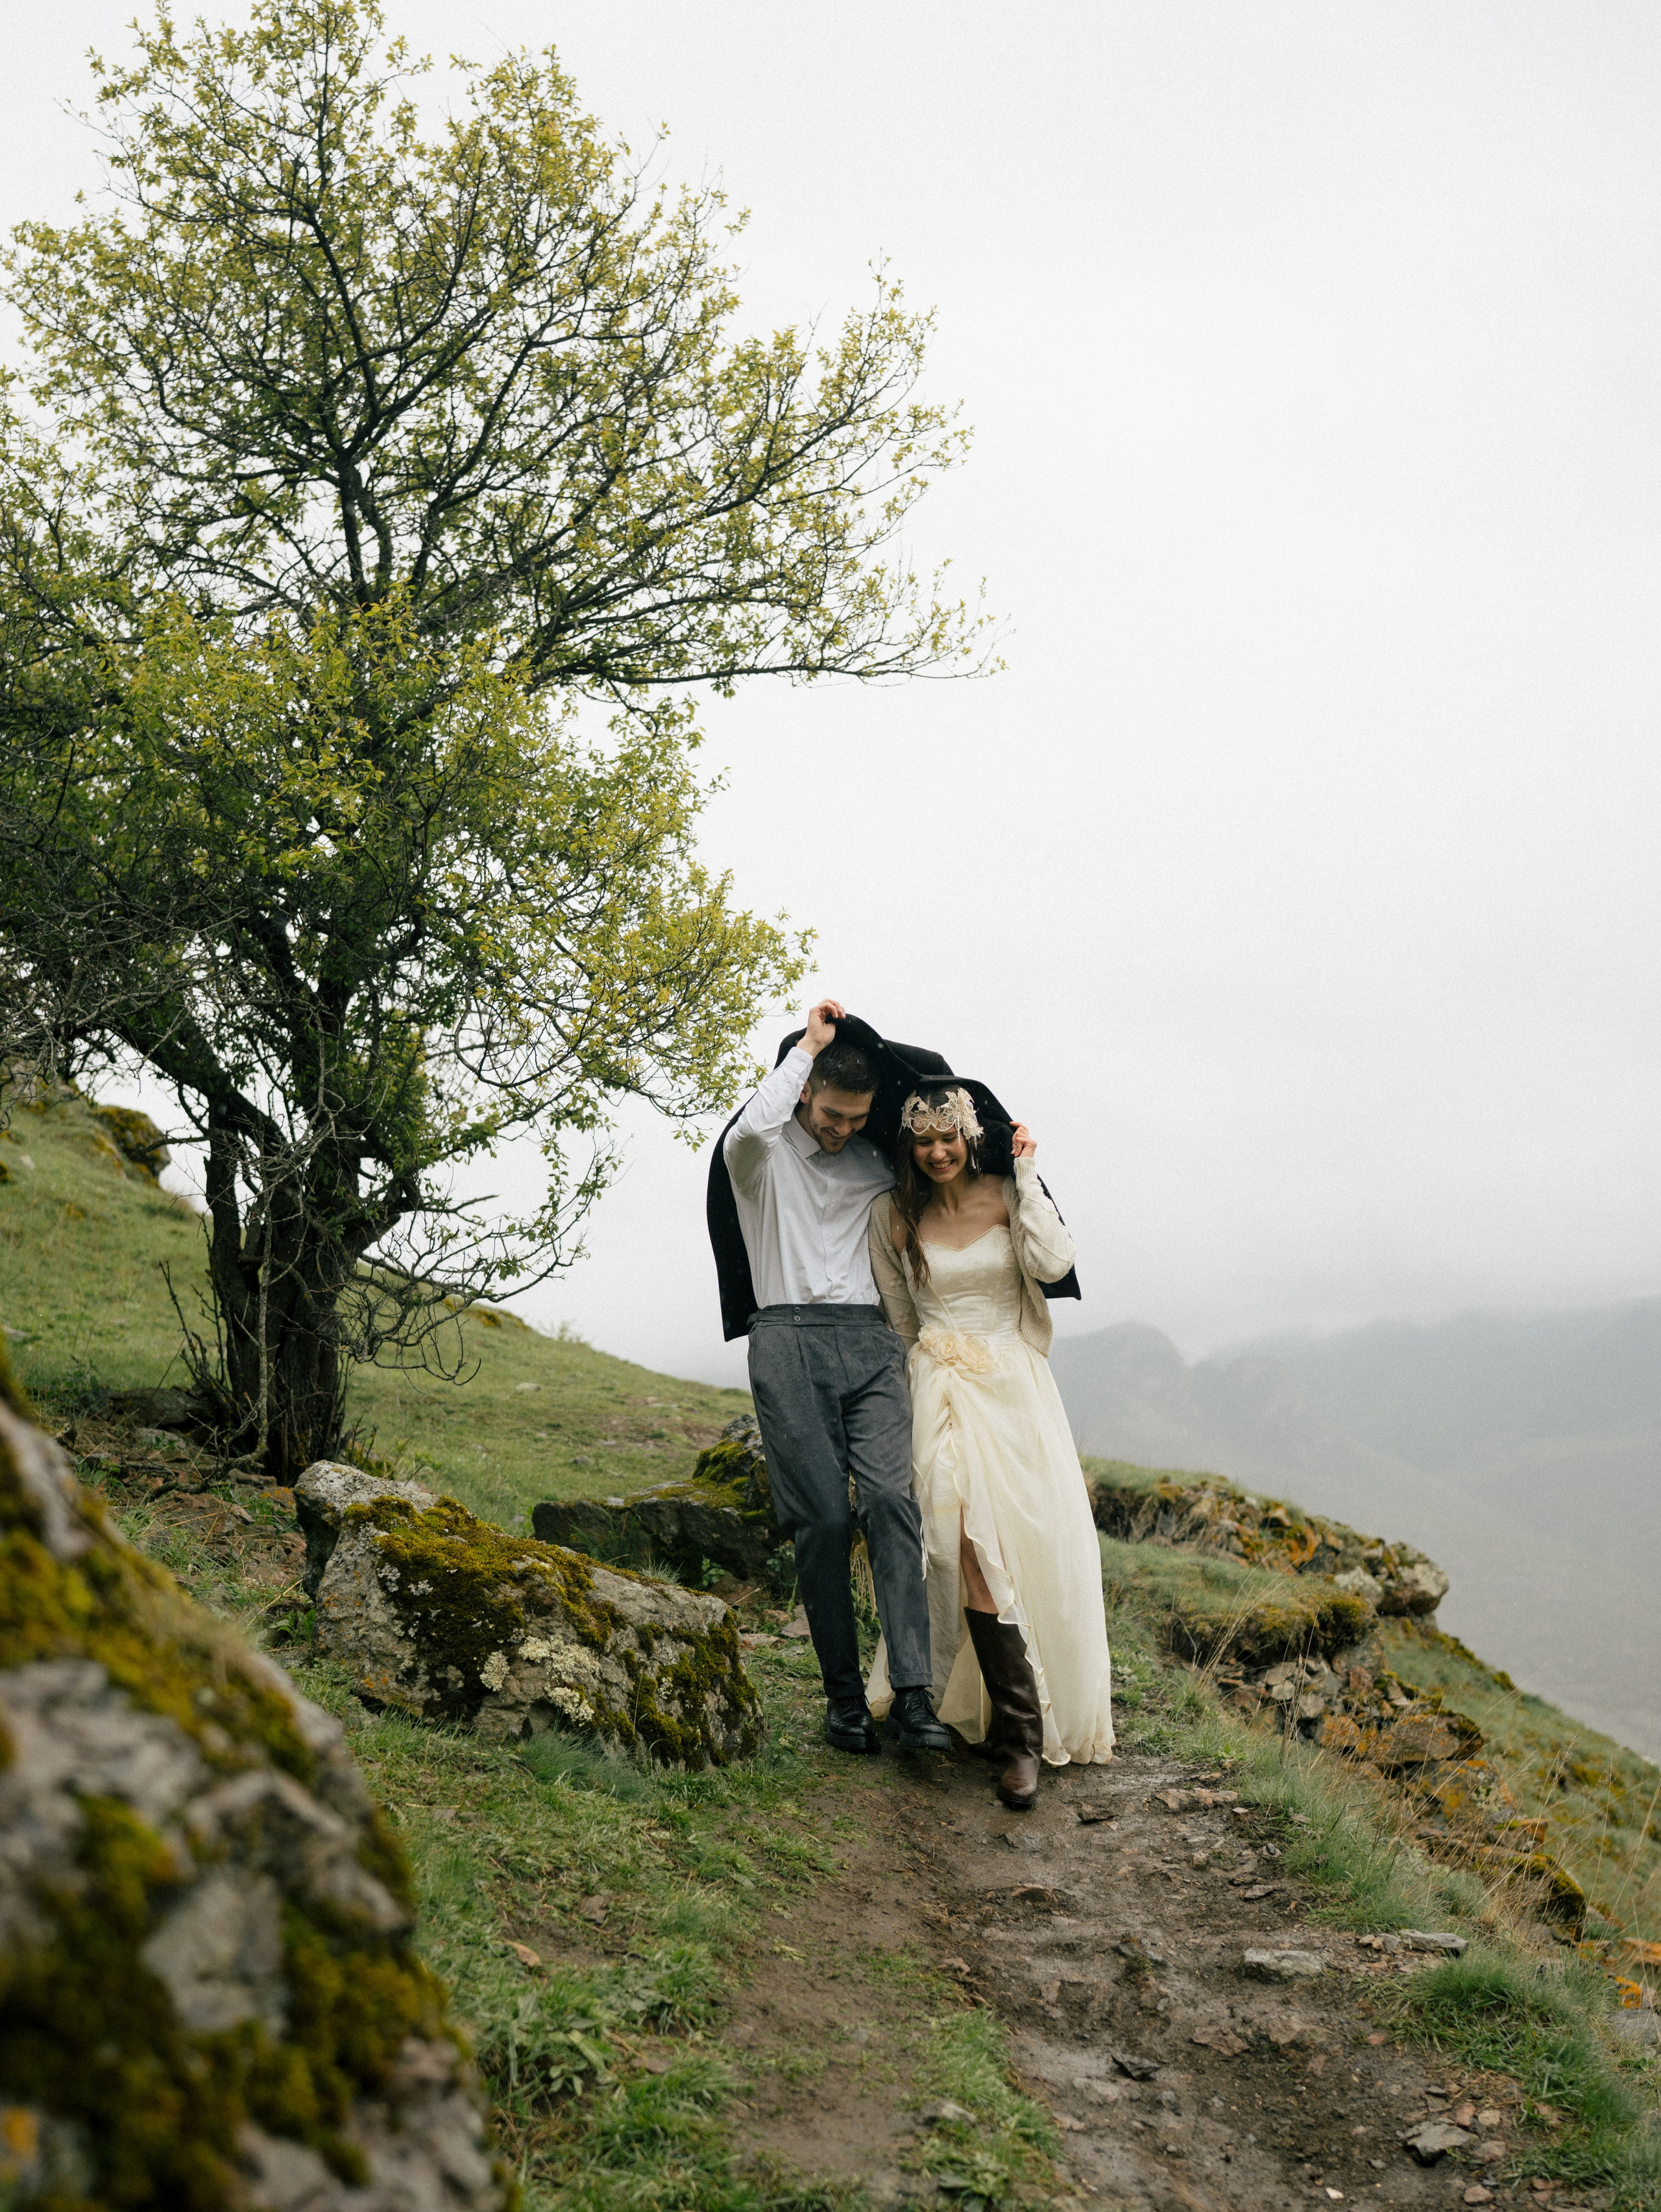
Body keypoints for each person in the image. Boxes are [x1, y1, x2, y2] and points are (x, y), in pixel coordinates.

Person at [866, 1084, 1114, 1807]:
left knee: (1026, 1543)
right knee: (954, 1546)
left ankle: (1020, 1723)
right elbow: (901, 1315)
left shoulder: (1009, 1193)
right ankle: (1017, 1735)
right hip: (939, 1388)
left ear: (972, 1136)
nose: (938, 1151)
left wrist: (1030, 1172)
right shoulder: (892, 1215)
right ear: (907, 1146)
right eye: (923, 1139)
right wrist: (928, 1377)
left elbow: (1051, 1262)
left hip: (1015, 1389)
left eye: (950, 1136)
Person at [723, 999, 951, 1756]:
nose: (841, 1128)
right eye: (829, 1112)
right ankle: (844, 1699)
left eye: (855, 1117)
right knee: (820, 1520)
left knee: (891, 1500)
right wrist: (808, 1046)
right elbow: (748, 1126)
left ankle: (915, 1696)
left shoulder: (874, 1162)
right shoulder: (759, 1157)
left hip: (871, 1341)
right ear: (805, 1093)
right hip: (785, 1340)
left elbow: (937, 1175)